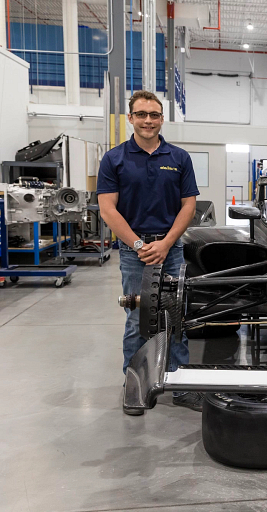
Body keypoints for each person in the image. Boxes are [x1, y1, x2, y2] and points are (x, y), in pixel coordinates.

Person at [97, 90, 202, 415]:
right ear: (130, 118)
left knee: (175, 315)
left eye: (153, 115)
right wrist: (140, 245)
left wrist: (167, 243)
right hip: (134, 251)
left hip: (170, 248)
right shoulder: (114, 158)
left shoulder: (179, 158)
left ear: (161, 118)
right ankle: (135, 385)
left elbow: (189, 206)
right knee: (137, 317)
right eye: (141, 114)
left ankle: (181, 385)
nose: (147, 120)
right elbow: (107, 209)